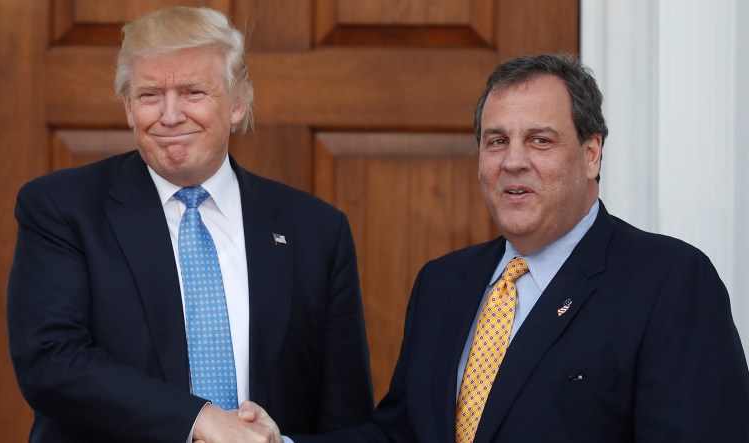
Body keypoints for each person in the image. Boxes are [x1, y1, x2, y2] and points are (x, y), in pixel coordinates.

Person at [285, 54, 749, 442]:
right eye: (496, 141)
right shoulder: (443, 283)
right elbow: (399, 434)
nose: (512, 161)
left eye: (540, 140)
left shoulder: (670, 282)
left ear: (592, 154)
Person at [7, 7, 373, 443]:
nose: (170, 115)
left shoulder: (316, 230)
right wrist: (199, 419)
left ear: (238, 103)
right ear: (127, 107)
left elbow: (346, 414)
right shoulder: (62, 208)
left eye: (193, 92)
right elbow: (51, 362)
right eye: (148, 96)